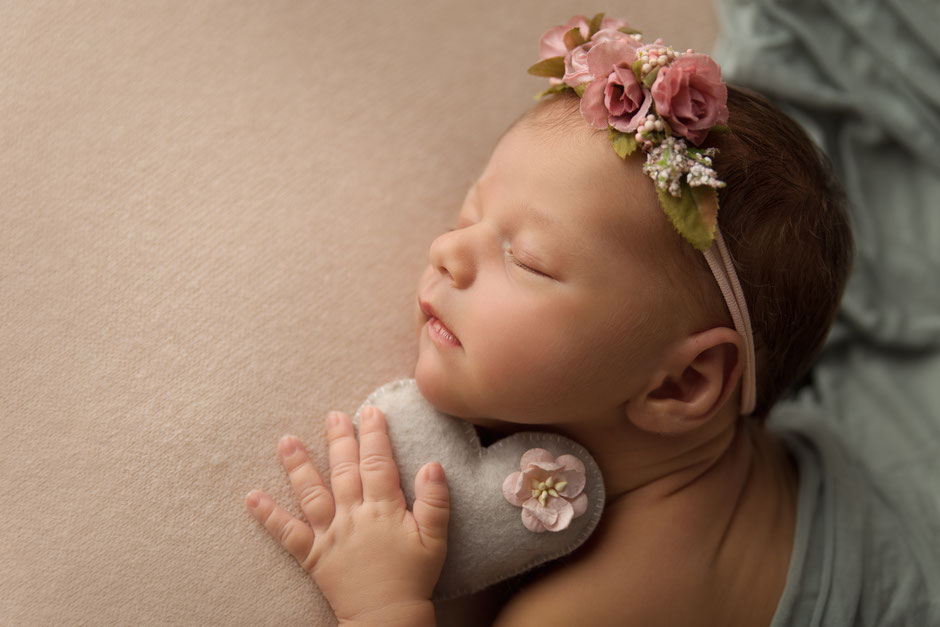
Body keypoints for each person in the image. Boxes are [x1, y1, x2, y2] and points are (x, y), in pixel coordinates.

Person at [245, 13, 854, 625]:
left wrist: (383, 601)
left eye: (528, 261)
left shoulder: (597, 603)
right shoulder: (693, 453)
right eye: (468, 216)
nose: (447, 252)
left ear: (681, 383)